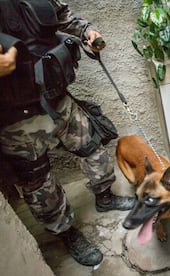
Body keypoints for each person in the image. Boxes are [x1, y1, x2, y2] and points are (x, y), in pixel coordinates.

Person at [0, 0, 135, 266]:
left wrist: (87, 32)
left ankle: (105, 196)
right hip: (15, 117)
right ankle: (66, 232)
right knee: (39, 182)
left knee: (92, 147)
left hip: (57, 97)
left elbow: (62, 15)